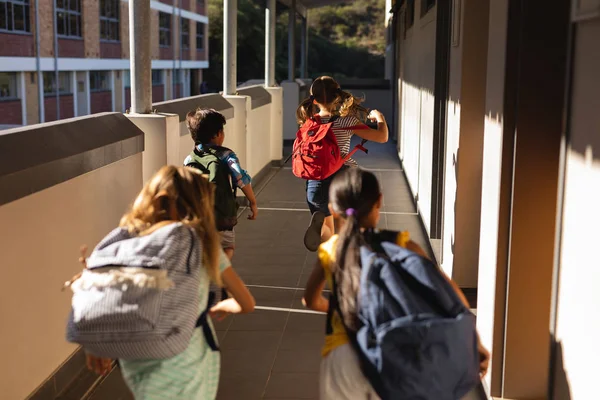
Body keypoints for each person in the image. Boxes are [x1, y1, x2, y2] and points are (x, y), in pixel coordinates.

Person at [303, 168, 490, 399]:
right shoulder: (402, 243)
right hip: (392, 352)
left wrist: (338, 308)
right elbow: (447, 291)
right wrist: (474, 340)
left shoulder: (330, 250)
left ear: (332, 209)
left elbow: (310, 300)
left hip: (342, 358)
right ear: (379, 202)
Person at [83, 166, 256, 399]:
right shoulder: (205, 247)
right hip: (187, 362)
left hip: (140, 359)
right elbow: (246, 302)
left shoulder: (129, 243)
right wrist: (223, 305)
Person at [295, 76, 389, 252]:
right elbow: (382, 137)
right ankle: (344, 263)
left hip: (316, 181)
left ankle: (320, 226)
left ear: (314, 101)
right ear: (337, 97)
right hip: (342, 179)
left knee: (327, 230)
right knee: (342, 231)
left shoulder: (308, 123)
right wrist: (379, 117)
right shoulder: (347, 121)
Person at [184, 108, 258, 261]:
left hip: (199, 217)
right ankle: (221, 275)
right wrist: (252, 201)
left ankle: (207, 276)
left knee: (203, 250)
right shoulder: (226, 155)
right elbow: (240, 178)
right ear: (218, 134)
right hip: (222, 219)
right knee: (227, 247)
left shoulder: (189, 159)